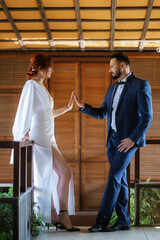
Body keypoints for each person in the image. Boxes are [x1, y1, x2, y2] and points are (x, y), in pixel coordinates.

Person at [74, 52, 153, 232]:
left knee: (114, 177)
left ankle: (101, 221)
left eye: (112, 66)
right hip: (112, 141)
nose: (109, 69)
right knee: (121, 179)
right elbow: (102, 113)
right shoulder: (111, 89)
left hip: (127, 141)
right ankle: (124, 221)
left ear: (123, 65)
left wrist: (132, 139)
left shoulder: (141, 85)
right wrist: (82, 106)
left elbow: (147, 117)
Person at [10, 53, 80, 231]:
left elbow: (46, 114)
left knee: (55, 175)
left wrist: (66, 108)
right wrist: (22, 133)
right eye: (50, 67)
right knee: (64, 173)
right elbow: (24, 112)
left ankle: (55, 214)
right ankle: (62, 215)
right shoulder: (31, 85)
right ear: (40, 68)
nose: (52, 70)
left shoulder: (42, 87)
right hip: (40, 136)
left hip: (49, 135)